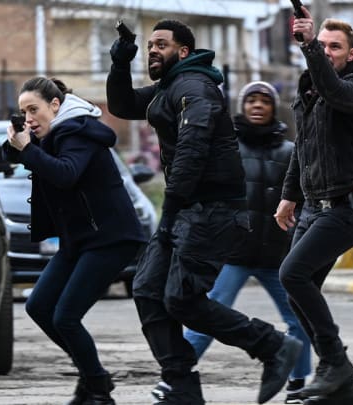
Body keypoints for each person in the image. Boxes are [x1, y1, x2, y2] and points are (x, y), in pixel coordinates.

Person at [106, 19, 302, 405]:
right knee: (147, 290)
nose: (152, 50)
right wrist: (119, 63)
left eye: (160, 44)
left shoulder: (195, 87)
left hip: (213, 211)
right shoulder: (169, 87)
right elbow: (123, 105)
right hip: (189, 209)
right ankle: (181, 384)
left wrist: (170, 212)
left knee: (182, 299)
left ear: (183, 52)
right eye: (149, 45)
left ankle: (273, 347)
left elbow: (193, 151)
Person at [3, 77, 149, 405]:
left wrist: (27, 148)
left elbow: (66, 173)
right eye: (23, 111)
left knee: (65, 316)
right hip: (78, 240)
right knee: (39, 306)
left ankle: (97, 387)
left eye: (34, 109)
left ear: (55, 105)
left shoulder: (79, 131)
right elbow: (17, 159)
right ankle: (91, 378)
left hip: (111, 236)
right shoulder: (49, 134)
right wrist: (16, 143)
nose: (29, 117)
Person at [181, 81, 312, 404]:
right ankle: (177, 374)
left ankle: (299, 384)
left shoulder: (290, 152)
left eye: (263, 101)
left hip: (278, 255)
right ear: (242, 107)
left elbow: (303, 199)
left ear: (272, 107)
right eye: (250, 100)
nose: (257, 106)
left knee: (298, 319)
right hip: (233, 254)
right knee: (207, 313)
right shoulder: (228, 147)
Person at [275, 7, 353, 405]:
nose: (328, 51)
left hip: (347, 206)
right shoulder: (308, 87)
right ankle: (344, 389)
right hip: (312, 207)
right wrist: (289, 195)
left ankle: (335, 363)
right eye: (322, 45)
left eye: (335, 46)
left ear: (350, 53)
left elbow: (336, 91)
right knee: (298, 291)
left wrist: (309, 48)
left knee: (292, 274)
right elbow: (302, 147)